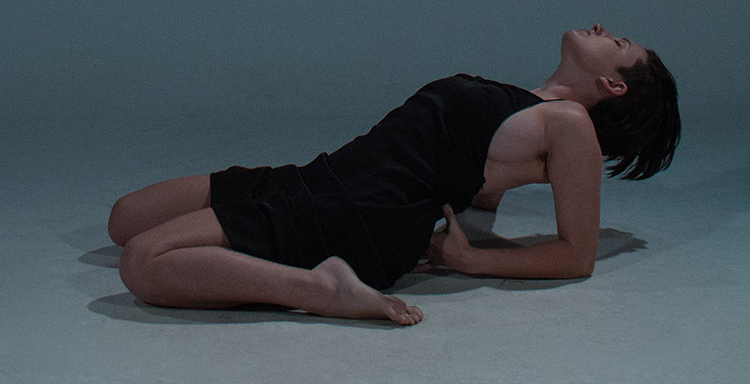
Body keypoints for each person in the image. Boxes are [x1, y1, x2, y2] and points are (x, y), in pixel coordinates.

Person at [108, 24, 680, 326]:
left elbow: (577, 254)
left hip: (353, 214)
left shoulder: (571, 124)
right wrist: (478, 223)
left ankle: (320, 290)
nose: (605, 28)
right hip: (317, 177)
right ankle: (295, 271)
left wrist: (475, 261)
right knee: (124, 221)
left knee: (143, 263)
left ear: (616, 85)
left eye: (619, 43)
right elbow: (475, 181)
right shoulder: (526, 104)